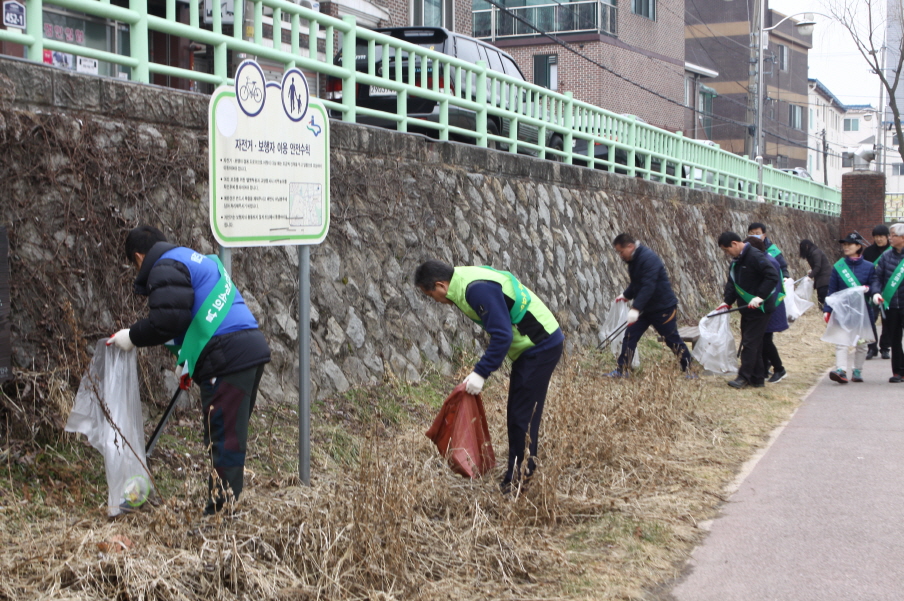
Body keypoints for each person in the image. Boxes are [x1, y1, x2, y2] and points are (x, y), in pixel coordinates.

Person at [108, 225, 271, 515]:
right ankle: (226, 509)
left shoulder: (163, 266)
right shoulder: (192, 258)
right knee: (230, 436)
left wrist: (130, 337)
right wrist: (188, 358)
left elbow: (166, 321)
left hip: (227, 356)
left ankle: (220, 518)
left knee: (223, 438)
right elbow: (190, 315)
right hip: (249, 347)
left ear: (138, 257)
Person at [414, 260, 564, 492]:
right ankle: (518, 474)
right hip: (532, 346)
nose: (435, 301)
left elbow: (502, 335)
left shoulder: (476, 290)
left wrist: (480, 373)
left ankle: (519, 481)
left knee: (522, 417)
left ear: (440, 285)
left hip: (540, 345)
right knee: (518, 414)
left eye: (431, 295)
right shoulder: (463, 280)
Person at [608, 233, 693, 376]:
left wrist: (635, 309)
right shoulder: (633, 260)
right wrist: (625, 296)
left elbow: (648, 286)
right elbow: (637, 283)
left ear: (630, 246)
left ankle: (689, 368)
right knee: (630, 335)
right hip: (645, 309)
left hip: (663, 307)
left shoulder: (648, 258)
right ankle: (622, 370)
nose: (620, 255)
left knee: (671, 339)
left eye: (621, 252)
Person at [716, 231, 781, 389]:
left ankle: (743, 377)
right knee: (755, 344)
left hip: (761, 308)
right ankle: (757, 379)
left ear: (735, 244)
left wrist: (760, 297)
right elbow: (732, 283)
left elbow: (772, 276)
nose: (727, 253)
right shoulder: (737, 261)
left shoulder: (755, 256)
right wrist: (727, 302)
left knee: (750, 343)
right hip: (746, 308)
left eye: (726, 250)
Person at [823, 232, 879, 384]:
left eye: (850, 244)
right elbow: (832, 290)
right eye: (845, 244)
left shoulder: (869, 267)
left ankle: (857, 370)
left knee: (861, 344)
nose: (846, 247)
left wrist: (870, 290)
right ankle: (841, 370)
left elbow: (874, 284)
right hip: (843, 311)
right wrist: (827, 309)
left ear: (859, 246)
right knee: (841, 342)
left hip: (863, 312)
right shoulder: (838, 267)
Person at [745, 236, 788, 383]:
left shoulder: (768, 262)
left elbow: (771, 287)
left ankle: (779, 368)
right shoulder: (764, 259)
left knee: (765, 339)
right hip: (767, 305)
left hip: (770, 305)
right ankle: (763, 369)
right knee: (763, 339)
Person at [873, 223, 904, 383]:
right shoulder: (886, 256)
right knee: (895, 339)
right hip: (891, 304)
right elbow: (877, 277)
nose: (889, 238)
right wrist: (876, 291)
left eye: (893, 235)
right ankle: (898, 372)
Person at [863, 224, 892, 360]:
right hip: (872, 291)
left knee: (888, 321)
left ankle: (885, 348)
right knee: (870, 319)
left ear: (887, 237)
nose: (879, 239)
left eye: (881, 236)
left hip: (889, 291)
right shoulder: (868, 252)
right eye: (876, 236)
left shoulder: (894, 251)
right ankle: (872, 347)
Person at [799, 239, 832, 308]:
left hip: (825, 279)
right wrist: (812, 270)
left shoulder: (815, 253)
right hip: (820, 279)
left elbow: (818, 266)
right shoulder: (811, 253)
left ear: (807, 246)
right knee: (820, 297)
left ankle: (825, 311)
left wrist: (809, 276)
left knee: (823, 297)